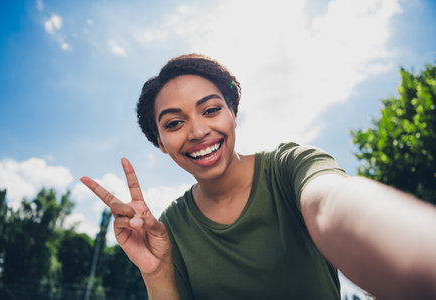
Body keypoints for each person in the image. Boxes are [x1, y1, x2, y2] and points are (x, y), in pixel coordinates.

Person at [80, 54, 436, 300]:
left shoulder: (289, 167)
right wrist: (156, 272)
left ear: (233, 112)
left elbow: (336, 206)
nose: (198, 130)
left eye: (211, 110)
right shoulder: (170, 227)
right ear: (160, 143)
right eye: (174, 123)